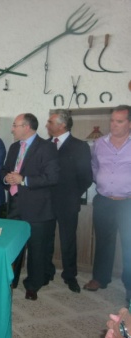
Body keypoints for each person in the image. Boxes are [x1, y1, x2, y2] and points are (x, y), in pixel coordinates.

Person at [2, 113, 59, 301]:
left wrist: (23, 180)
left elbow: (52, 177)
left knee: (37, 249)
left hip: (38, 208)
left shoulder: (47, 147)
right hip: (14, 203)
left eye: (15, 125)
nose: (12, 129)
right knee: (13, 246)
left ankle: (33, 284)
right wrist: (6, 178)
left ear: (27, 127)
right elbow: (5, 170)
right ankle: (11, 280)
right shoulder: (13, 147)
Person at [84, 105, 131, 304]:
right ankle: (100, 278)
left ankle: (129, 287)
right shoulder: (100, 143)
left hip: (128, 203)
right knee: (103, 241)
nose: (113, 124)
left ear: (129, 123)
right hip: (104, 200)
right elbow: (94, 166)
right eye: (112, 120)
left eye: (119, 121)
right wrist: (102, 181)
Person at [45, 110, 93, 293]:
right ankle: (46, 271)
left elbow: (86, 177)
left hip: (68, 202)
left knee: (68, 240)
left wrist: (72, 194)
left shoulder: (80, 146)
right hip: (46, 202)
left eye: (50, 122)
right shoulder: (44, 145)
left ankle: (69, 275)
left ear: (62, 125)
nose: (47, 125)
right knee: (46, 238)